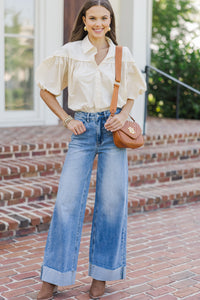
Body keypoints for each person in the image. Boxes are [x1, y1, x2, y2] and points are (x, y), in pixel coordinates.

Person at [35, 0, 146, 299]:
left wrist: (123, 115)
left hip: (112, 134)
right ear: (84, 21)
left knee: (111, 203)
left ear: (111, 22)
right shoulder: (69, 52)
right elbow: (46, 88)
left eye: (104, 18)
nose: (99, 23)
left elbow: (134, 91)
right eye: (93, 18)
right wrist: (67, 119)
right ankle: (54, 276)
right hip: (82, 133)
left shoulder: (122, 54)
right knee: (67, 203)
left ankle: (102, 276)